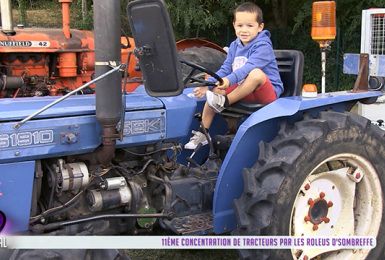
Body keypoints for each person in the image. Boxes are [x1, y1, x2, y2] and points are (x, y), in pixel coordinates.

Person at [184, 2, 283, 150]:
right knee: (215, 92)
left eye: (249, 26)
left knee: (255, 74)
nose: (244, 30)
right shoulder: (235, 45)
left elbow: (247, 69)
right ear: (234, 25)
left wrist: (228, 81)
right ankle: (203, 133)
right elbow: (225, 68)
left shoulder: (263, 46)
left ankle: (224, 101)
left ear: (260, 27)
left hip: (266, 93)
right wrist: (209, 84)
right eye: (240, 25)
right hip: (243, 90)